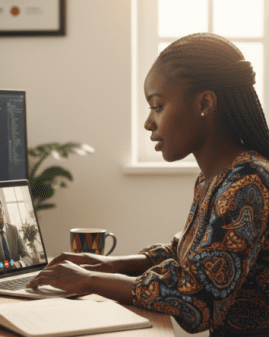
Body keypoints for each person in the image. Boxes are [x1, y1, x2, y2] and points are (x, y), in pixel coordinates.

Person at [27, 33, 269, 337]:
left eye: (157, 106)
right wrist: (109, 265)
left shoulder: (248, 182)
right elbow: (187, 254)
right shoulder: (218, 177)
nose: (148, 123)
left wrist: (87, 281)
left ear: (205, 103)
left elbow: (199, 300)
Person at [0, 196, 32, 274]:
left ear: (3, 212)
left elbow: (27, 257)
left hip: (18, 273)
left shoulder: (14, 229)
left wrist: (18, 264)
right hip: (1, 276)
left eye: (0, 210)